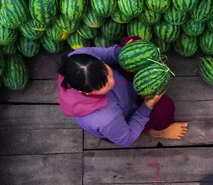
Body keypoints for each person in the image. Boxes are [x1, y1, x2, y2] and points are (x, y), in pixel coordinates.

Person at [57, 39, 188, 147]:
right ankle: (156, 131)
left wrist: (126, 53)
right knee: (165, 107)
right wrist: (147, 106)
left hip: (125, 89)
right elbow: (127, 138)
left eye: (108, 72)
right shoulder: (105, 119)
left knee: (132, 42)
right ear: (84, 92)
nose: (111, 81)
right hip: (123, 120)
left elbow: (110, 54)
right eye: (104, 85)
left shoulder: (79, 60)